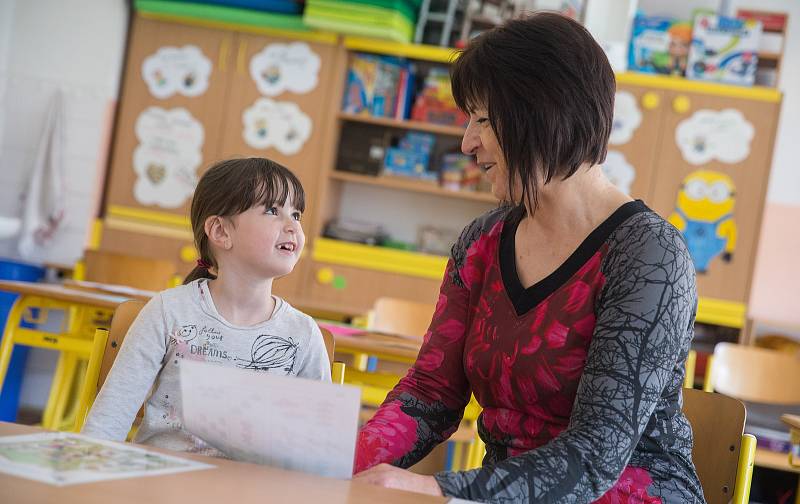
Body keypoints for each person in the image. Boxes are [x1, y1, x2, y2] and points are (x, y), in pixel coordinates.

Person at [353, 13, 705, 503]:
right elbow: (430, 396)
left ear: (541, 112)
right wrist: (335, 459)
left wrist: (434, 487)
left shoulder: (649, 257)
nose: (467, 143)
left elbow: (593, 456)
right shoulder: (482, 240)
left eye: (481, 119)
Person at [83, 157, 330, 456]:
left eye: (296, 214)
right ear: (221, 232)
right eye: (272, 210)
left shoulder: (303, 334)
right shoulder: (168, 311)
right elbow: (110, 419)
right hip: (159, 482)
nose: (292, 226)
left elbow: (317, 447)